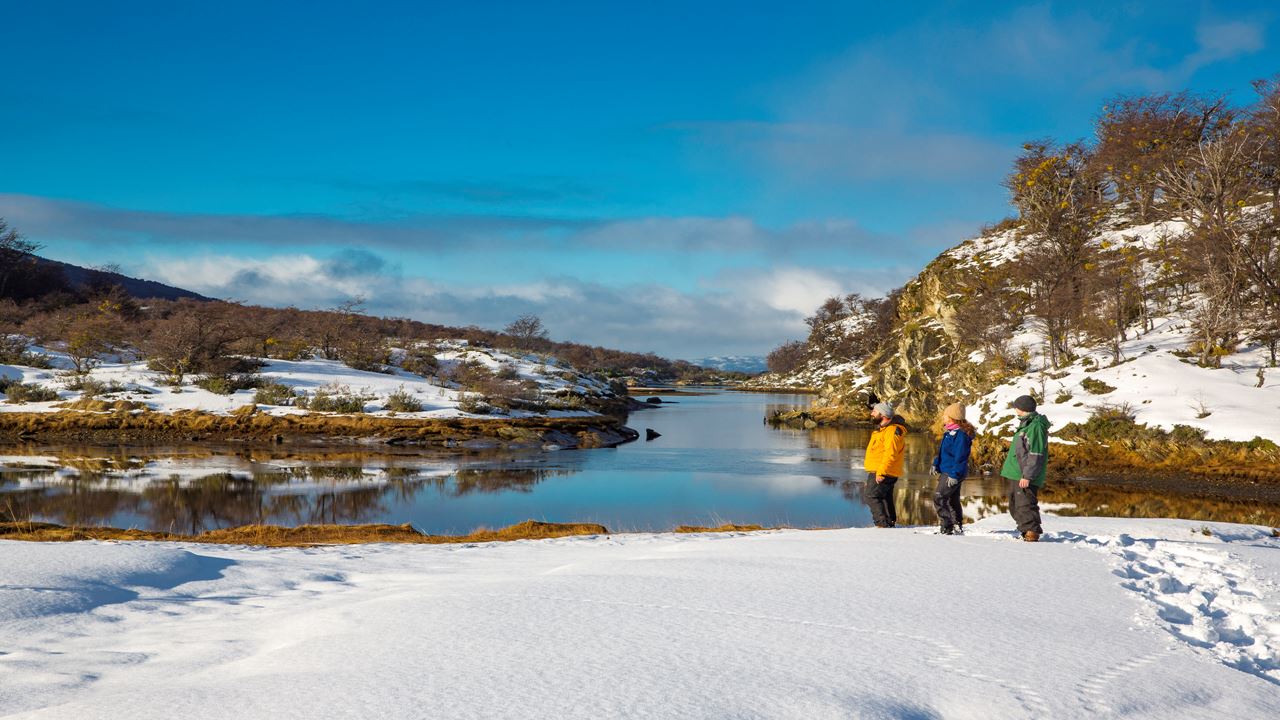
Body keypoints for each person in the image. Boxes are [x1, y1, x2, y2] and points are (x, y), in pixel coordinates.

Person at [1001, 394, 1050, 542]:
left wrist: (1027, 475)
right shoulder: (1026, 423)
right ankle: (1024, 530)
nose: (1015, 409)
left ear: (1023, 409)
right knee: (1015, 504)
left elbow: (1036, 453)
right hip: (1017, 472)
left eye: (1016, 407)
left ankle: (1031, 533)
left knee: (1025, 504)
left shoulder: (1035, 427)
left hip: (1024, 474)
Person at [931, 402, 974, 535]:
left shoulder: (961, 435)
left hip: (953, 472)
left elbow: (960, 457)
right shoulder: (949, 432)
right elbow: (943, 453)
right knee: (952, 499)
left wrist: (954, 475)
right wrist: (936, 464)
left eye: (945, 415)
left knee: (939, 497)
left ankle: (947, 525)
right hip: (947, 470)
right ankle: (956, 524)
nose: (943, 417)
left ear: (952, 417)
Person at [863, 401, 908, 528]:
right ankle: (889, 523)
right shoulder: (883, 430)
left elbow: (890, 454)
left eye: (875, 411)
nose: (872, 413)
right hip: (880, 470)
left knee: (871, 496)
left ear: (883, 414)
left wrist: (881, 472)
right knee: (884, 497)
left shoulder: (892, 431)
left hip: (883, 470)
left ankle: (882, 525)